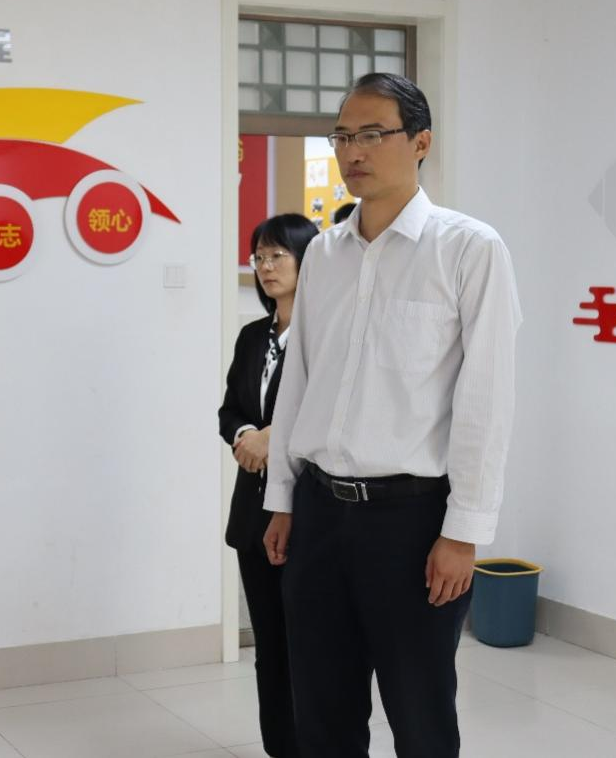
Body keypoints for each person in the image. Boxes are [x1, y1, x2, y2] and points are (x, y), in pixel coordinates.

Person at [262, 74, 521, 757]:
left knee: (420, 715)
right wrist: (282, 498)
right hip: (319, 515)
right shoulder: (323, 254)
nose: (353, 151)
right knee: (322, 715)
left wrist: (463, 532)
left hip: (411, 523)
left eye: (372, 134)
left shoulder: (468, 249)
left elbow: (486, 400)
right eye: (342, 135)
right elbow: (298, 382)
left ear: (421, 142)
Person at [219, 213, 318, 758]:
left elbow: (325, 409)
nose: (266, 266)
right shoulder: (252, 336)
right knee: (270, 647)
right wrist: (245, 436)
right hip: (252, 513)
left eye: (279, 255)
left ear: (308, 259)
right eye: (259, 257)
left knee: (310, 644)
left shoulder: (325, 334)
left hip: (308, 512)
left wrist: (270, 438)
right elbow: (229, 410)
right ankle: (280, 747)